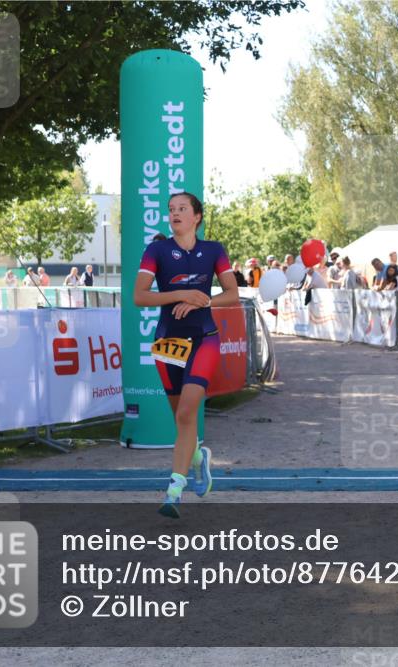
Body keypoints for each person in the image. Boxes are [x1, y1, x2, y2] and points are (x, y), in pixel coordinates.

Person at [133, 192, 239, 518]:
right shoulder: (156, 250)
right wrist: (181, 294)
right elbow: (139, 296)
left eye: (182, 209)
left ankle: (174, 491)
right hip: (168, 342)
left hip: (205, 339)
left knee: (187, 412)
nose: (175, 214)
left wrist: (201, 301)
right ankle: (197, 458)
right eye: (171, 209)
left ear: (197, 217)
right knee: (182, 418)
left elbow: (232, 294)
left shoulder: (214, 250)